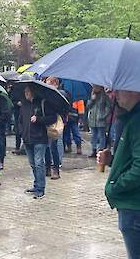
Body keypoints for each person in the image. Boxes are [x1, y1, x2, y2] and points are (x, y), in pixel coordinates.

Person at [98, 90, 140, 259]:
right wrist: (112, 160)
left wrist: (115, 187)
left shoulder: (137, 121)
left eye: (120, 89)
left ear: (134, 91)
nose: (115, 94)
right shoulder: (131, 118)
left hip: (133, 205)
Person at [19, 85, 57, 199]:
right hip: (27, 138)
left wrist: (39, 119)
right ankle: (36, 185)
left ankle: (41, 188)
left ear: (33, 92)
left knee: (39, 163)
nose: (26, 93)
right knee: (32, 163)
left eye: (28, 91)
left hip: (40, 138)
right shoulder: (24, 105)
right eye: (25, 91)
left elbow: (52, 118)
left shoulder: (42, 103)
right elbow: (20, 120)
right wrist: (21, 132)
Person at [44, 77, 63, 179]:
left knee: (54, 146)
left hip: (54, 124)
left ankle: (55, 169)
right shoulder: (44, 93)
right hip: (44, 121)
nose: (48, 83)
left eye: (50, 81)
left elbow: (62, 108)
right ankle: (47, 167)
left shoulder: (60, 94)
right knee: (46, 147)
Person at [87, 85, 112, 158]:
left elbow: (108, 107)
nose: (95, 88)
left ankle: (101, 150)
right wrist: (92, 99)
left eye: (96, 87)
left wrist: (103, 115)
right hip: (92, 119)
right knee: (93, 135)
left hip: (100, 119)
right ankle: (94, 150)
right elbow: (88, 106)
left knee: (101, 135)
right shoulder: (92, 95)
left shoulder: (104, 96)